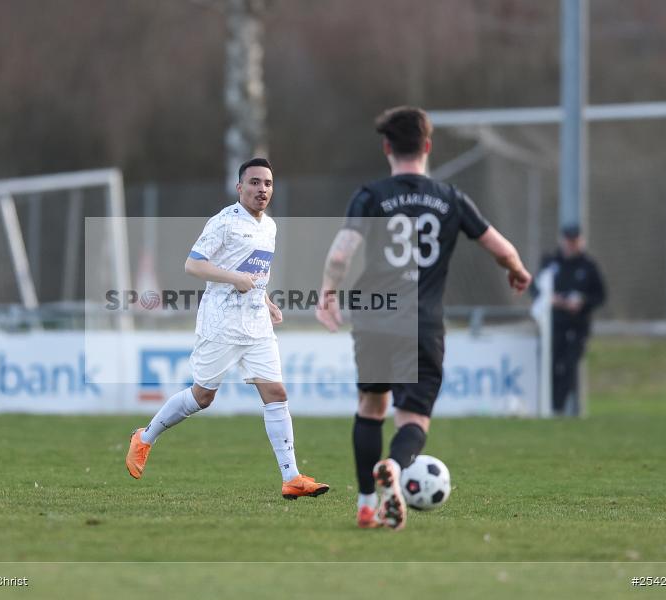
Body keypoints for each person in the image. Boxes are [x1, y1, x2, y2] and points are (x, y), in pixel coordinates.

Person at [316, 106, 532, 530]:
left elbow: (341, 253)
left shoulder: (371, 195)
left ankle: (364, 504)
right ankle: (395, 468)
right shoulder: (451, 199)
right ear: (427, 146)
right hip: (422, 322)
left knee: (371, 405)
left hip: (375, 318)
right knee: (413, 419)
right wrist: (517, 269)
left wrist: (328, 292)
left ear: (387, 148)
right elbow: (500, 247)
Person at [126, 157, 329, 500]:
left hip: (256, 325)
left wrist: (266, 301)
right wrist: (234, 279)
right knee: (202, 397)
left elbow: (255, 273)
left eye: (267, 183)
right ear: (240, 188)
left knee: (277, 393)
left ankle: (292, 477)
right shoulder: (224, 222)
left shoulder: (271, 227)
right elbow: (193, 264)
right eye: (253, 182)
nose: (261, 189)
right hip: (220, 323)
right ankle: (144, 438)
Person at [539, 224, 606, 415]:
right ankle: (550, 406)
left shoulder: (589, 266)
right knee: (551, 364)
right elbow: (536, 288)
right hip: (554, 325)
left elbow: (600, 295)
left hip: (577, 326)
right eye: (568, 241)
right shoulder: (550, 262)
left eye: (575, 241)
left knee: (569, 366)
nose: (571, 245)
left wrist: (582, 302)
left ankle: (560, 408)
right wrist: (551, 299)